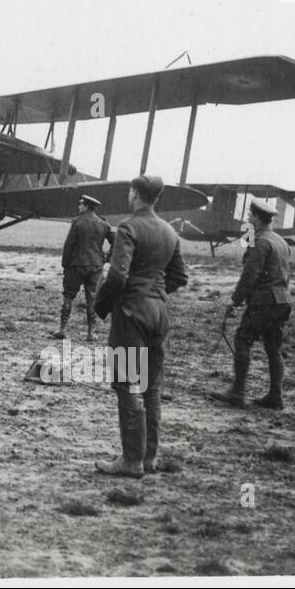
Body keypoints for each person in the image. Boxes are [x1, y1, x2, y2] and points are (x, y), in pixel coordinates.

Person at [92, 175, 188, 477]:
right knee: (151, 386)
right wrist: (154, 293)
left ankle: (131, 461)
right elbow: (179, 277)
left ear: (135, 194)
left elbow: (118, 276)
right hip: (159, 313)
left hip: (132, 313)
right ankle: (148, 458)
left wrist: (103, 306)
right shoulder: (169, 231)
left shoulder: (129, 228)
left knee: (127, 383)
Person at [213, 198, 292, 410]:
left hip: (264, 303)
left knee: (242, 339)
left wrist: (234, 301)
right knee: (273, 348)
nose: (248, 219)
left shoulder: (260, 242)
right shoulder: (280, 241)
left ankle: (238, 393)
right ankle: (276, 396)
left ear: (257, 219)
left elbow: (250, 276)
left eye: (250, 216)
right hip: (282, 302)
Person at [56, 195, 114, 341]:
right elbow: (117, 242)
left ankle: (62, 329)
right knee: (92, 299)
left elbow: (69, 245)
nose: (78, 206)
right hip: (95, 266)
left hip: (76, 265)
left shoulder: (77, 222)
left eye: (81, 204)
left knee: (68, 296)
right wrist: (107, 258)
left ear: (87, 206)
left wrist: (65, 264)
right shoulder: (104, 224)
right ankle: (91, 333)